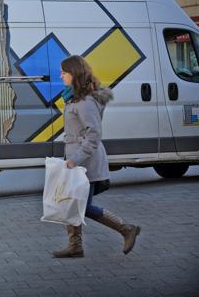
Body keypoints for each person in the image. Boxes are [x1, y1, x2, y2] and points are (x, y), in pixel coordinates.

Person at [53, 55, 141, 258]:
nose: (61, 75)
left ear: (74, 74)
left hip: (85, 163)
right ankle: (75, 246)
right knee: (72, 203)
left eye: (64, 72)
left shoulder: (85, 102)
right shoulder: (73, 97)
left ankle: (126, 228)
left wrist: (75, 159)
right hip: (75, 160)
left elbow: (93, 135)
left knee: (82, 206)